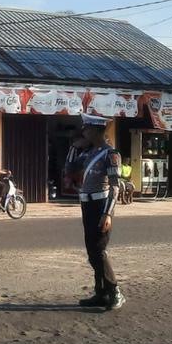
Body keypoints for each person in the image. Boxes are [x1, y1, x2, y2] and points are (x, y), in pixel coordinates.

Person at [66, 113, 126, 311]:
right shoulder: (89, 153)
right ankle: (101, 293)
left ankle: (115, 291)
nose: (84, 132)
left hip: (101, 205)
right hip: (87, 205)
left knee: (99, 251)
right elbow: (69, 169)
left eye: (87, 129)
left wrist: (107, 213)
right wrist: (74, 148)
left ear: (96, 130)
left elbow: (115, 186)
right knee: (92, 251)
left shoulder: (110, 154)